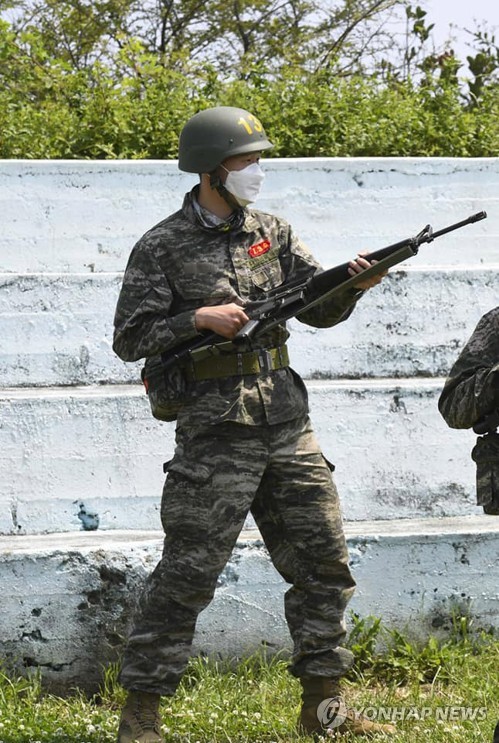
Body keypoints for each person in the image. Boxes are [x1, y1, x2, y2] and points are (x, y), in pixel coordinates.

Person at [112, 105, 395, 742]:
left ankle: (324, 709)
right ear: (213, 169)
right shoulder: (161, 246)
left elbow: (317, 309)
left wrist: (353, 286)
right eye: (246, 161)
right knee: (188, 574)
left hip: (287, 422)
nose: (257, 171)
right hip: (215, 433)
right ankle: (141, 717)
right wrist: (197, 320)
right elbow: (130, 339)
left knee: (324, 565)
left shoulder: (275, 231)